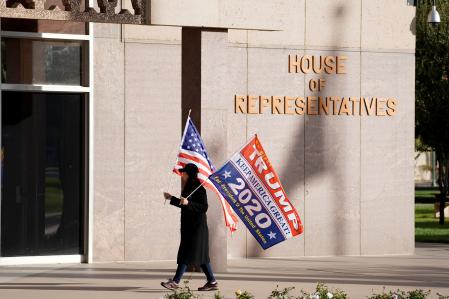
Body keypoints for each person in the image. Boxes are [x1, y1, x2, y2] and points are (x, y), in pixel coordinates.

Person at [161, 163, 219, 291]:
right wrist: (172, 198)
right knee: (202, 257)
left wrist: (189, 203)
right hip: (190, 227)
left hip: (197, 228)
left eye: (184, 172)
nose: (182, 174)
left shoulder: (198, 187)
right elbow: (184, 204)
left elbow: (204, 207)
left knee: (185, 254)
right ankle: (212, 282)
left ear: (189, 174)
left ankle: (175, 282)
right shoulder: (189, 186)